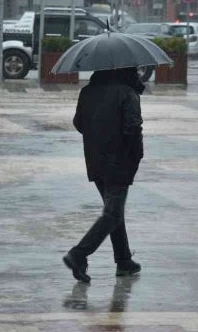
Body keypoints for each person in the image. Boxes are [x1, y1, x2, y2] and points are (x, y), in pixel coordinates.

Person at [63, 67, 145, 283]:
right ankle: (79, 253)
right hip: (119, 161)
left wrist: (99, 134)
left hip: (96, 160)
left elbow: (78, 123)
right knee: (112, 213)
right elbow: (133, 127)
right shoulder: (127, 93)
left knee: (114, 212)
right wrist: (133, 155)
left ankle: (124, 260)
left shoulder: (88, 91)